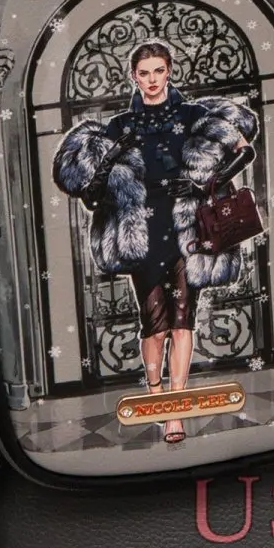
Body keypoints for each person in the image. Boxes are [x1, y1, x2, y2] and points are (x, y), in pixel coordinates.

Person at [53, 42, 257, 443]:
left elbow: (244, 150)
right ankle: (155, 397)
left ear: (169, 71)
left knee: (182, 320)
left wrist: (203, 183)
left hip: (188, 231)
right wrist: (111, 164)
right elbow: (91, 194)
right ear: (134, 76)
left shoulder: (193, 115)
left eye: (158, 71)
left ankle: (174, 411)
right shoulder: (120, 127)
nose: (151, 79)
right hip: (141, 232)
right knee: (155, 325)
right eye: (144, 73)